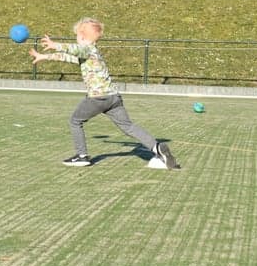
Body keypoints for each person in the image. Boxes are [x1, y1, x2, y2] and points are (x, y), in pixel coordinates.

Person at [30, 17, 179, 169]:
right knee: (128, 126)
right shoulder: (93, 54)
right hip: (113, 98)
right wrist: (44, 56)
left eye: (76, 36)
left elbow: (75, 50)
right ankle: (157, 147)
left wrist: (56, 45)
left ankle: (82, 156)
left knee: (75, 121)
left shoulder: (87, 49)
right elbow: (69, 57)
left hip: (98, 98)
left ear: (81, 36)